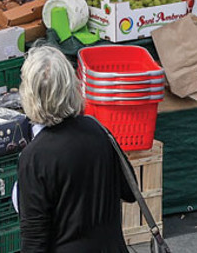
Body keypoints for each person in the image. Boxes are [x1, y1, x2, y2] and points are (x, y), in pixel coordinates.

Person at [17, 45, 136, 253]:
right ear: (72, 86)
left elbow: (34, 240)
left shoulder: (35, 157)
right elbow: (130, 191)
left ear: (30, 95)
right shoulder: (98, 130)